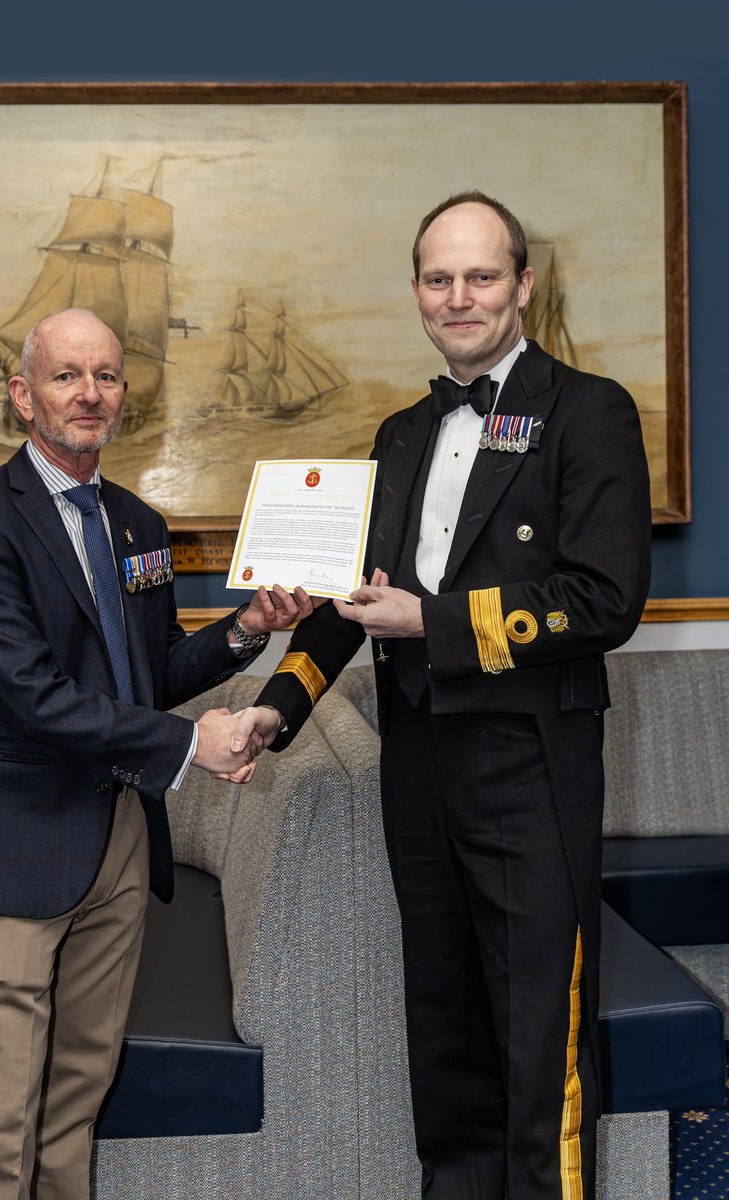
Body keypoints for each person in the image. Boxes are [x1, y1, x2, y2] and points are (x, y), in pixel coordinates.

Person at [234, 192, 652, 1199]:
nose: (458, 297)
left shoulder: (588, 413)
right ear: (417, 290)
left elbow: (604, 601)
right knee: (446, 1026)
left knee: (533, 1031)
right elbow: (354, 602)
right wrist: (276, 707)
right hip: (418, 766)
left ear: (523, 285)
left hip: (529, 761)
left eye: (480, 276)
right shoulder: (402, 432)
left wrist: (439, 623)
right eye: (438, 278)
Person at [0, 307, 310, 1200]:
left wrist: (246, 628)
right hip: (10, 847)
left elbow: (150, 671)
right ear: (24, 395)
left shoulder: (138, 524)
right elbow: (30, 696)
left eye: (106, 376)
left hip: (120, 844)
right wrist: (187, 746)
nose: (88, 393)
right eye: (66, 375)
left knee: (76, 1097)